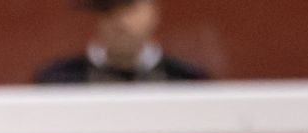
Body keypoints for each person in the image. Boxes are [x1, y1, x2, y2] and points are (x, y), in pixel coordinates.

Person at [34, 0, 208, 84]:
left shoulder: (186, 80)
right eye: (108, 9)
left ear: (154, 10)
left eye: (129, 7)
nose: (120, 22)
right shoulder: (60, 81)